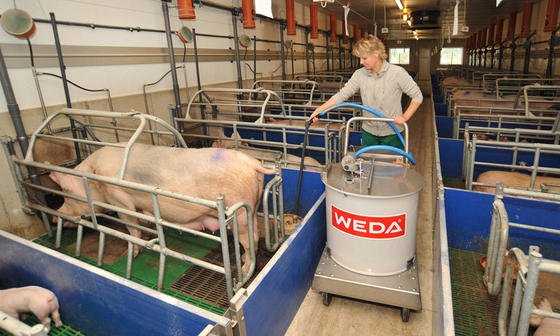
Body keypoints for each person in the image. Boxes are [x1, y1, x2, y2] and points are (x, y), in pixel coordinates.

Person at [307, 35, 423, 150]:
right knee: (368, 165)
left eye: (364, 58)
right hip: (369, 132)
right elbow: (342, 95)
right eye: (360, 58)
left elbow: (417, 96)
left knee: (392, 166)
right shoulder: (359, 74)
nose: (361, 62)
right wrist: (319, 109)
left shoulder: (397, 73)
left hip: (392, 132)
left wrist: (405, 116)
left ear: (376, 54)